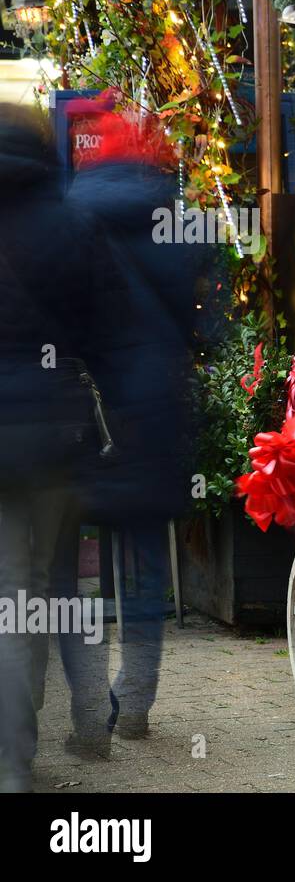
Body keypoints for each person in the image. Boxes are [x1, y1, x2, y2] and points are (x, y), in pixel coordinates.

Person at [65, 101, 205, 743]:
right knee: (144, 549)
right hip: (156, 401)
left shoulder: (74, 213)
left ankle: (87, 703)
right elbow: (201, 311)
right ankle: (137, 695)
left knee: (62, 559)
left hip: (88, 403)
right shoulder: (172, 215)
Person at [0, 104, 110, 791]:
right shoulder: (71, 224)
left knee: (9, 587)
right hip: (56, 434)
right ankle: (21, 734)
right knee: (37, 587)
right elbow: (103, 331)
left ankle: (13, 753)